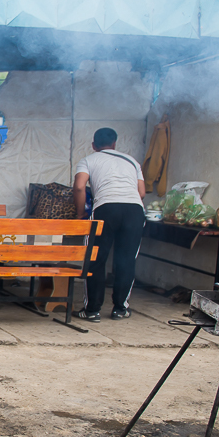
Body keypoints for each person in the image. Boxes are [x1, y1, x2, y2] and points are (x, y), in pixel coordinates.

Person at [72, 127, 146, 322]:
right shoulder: (132, 161)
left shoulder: (88, 160)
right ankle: (120, 308)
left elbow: (79, 187)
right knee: (126, 259)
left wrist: (80, 214)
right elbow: (142, 192)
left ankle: (92, 310)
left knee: (96, 258)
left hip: (106, 208)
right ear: (115, 144)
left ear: (94, 145)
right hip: (134, 210)